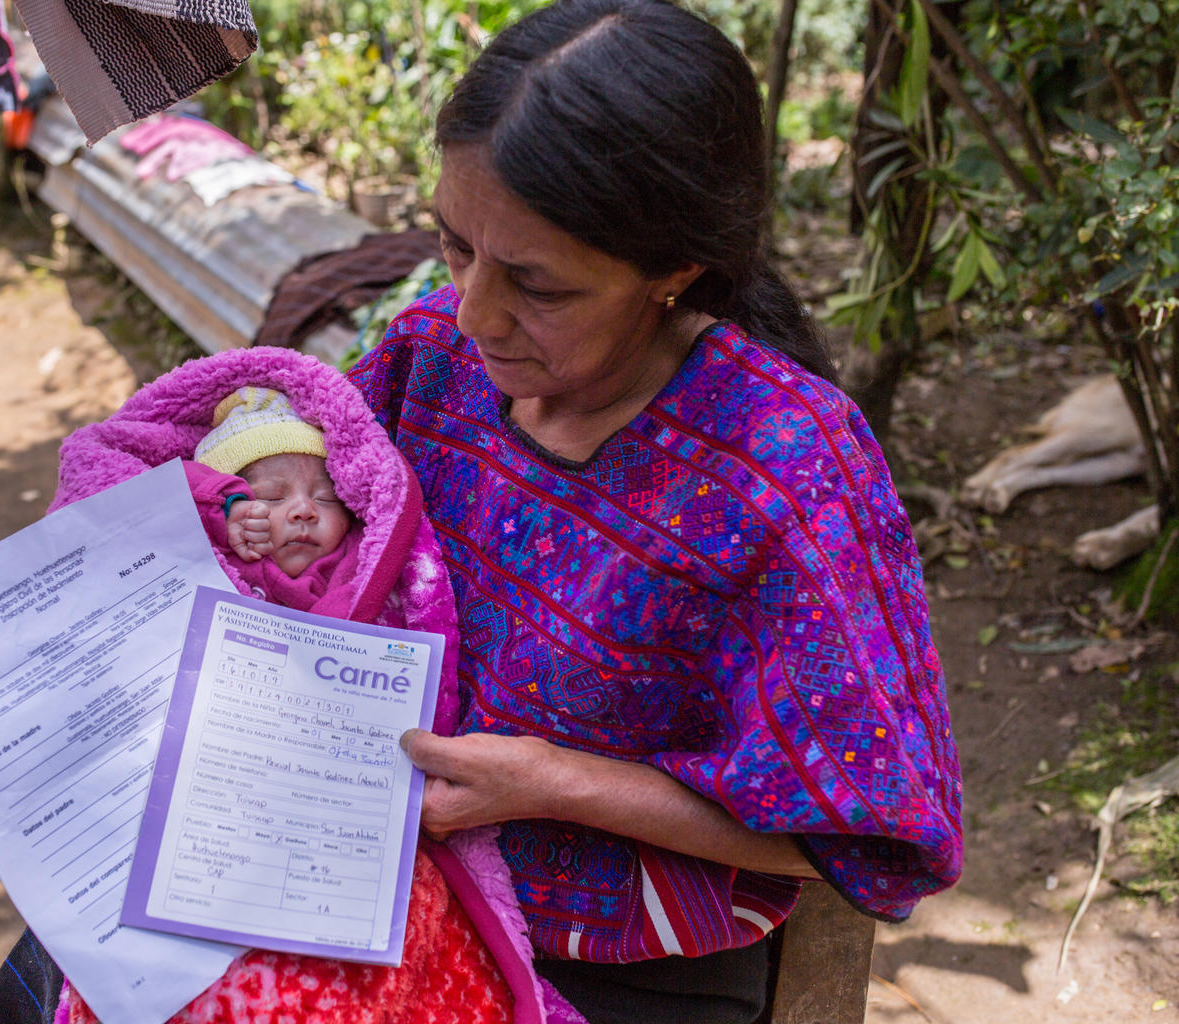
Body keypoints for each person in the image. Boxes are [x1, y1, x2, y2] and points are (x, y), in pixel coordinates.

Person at [347, 1, 964, 1021]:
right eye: (456, 247)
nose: (473, 312)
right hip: (385, 881)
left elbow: (875, 828)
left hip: (625, 959)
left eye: (534, 283)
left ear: (673, 271)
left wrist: (553, 781)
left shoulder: (786, 468)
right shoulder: (429, 365)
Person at [184, 385, 361, 609]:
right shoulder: (215, 549)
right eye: (272, 496)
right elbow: (173, 488)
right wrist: (222, 508)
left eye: (326, 498)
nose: (304, 511)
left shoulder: (360, 565)